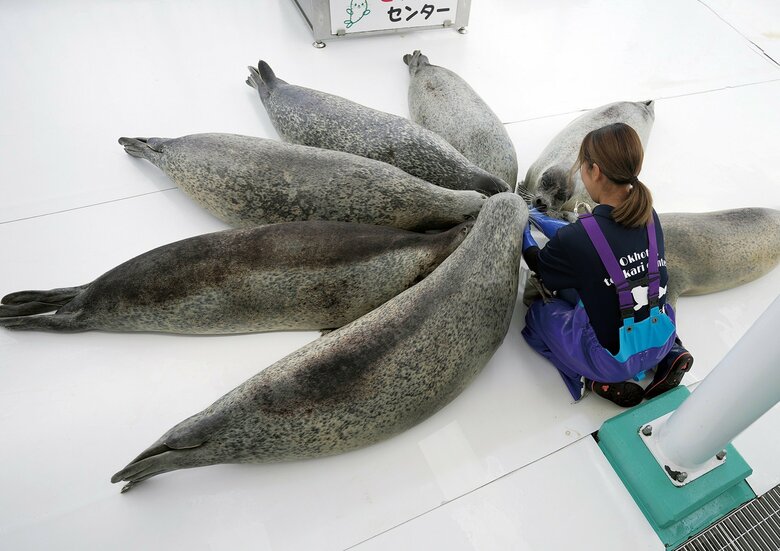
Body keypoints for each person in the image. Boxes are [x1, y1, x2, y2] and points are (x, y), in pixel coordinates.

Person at [521, 122, 693, 407]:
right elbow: (588, 241)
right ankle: (673, 353)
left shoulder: (576, 239)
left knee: (539, 315)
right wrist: (541, 218)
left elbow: (538, 264)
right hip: (660, 338)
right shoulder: (650, 215)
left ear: (595, 171)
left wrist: (524, 228)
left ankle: (590, 379)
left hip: (611, 361)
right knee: (629, 289)